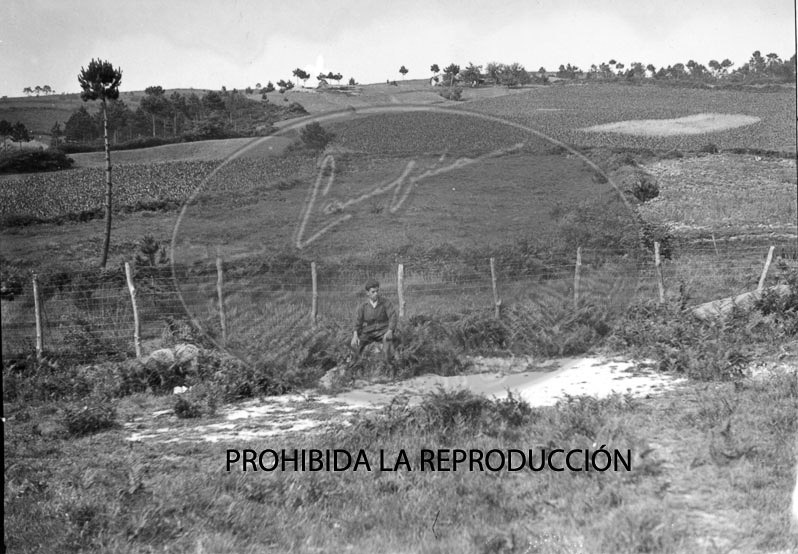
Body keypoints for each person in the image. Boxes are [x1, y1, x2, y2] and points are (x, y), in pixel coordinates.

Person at [351, 279, 397, 364]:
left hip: (383, 330)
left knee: (388, 342)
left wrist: (390, 330)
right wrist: (355, 335)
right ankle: (353, 367)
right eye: (373, 292)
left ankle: (390, 367)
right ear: (367, 293)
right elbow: (357, 321)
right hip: (368, 331)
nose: (376, 293)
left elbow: (393, 317)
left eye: (377, 291)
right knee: (356, 344)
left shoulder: (386, 302)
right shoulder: (363, 306)